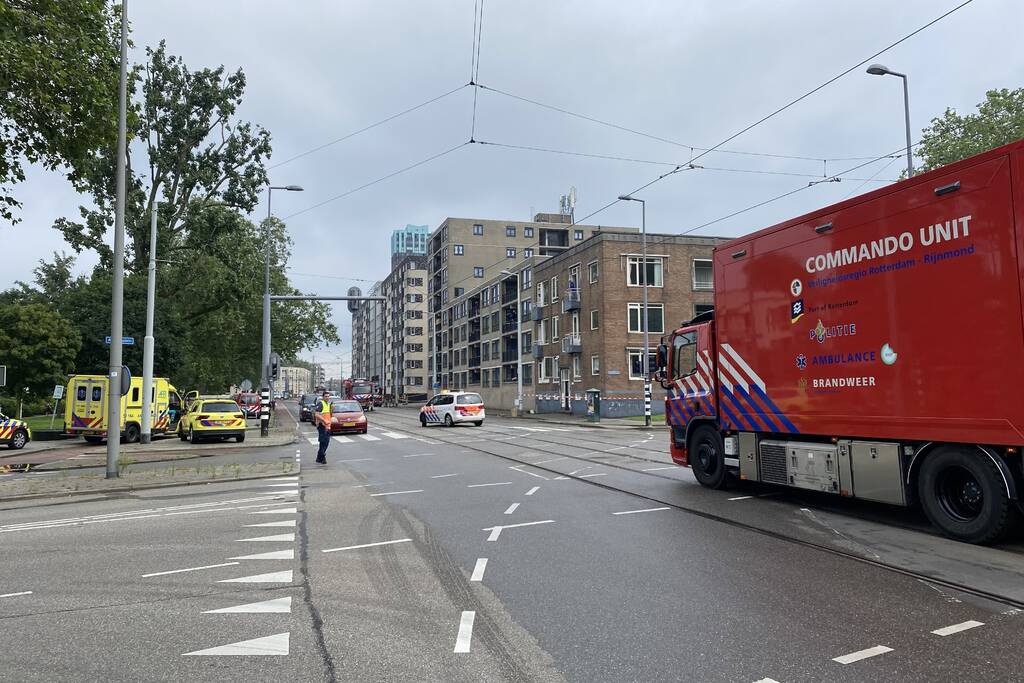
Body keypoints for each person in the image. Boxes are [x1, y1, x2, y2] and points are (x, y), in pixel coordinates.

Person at [315, 391, 331, 464]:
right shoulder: (321, 403)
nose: (327, 397)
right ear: (323, 397)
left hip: (327, 426)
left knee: (326, 442)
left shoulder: (328, 404)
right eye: (326, 396)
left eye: (328, 396)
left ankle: (319, 458)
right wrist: (324, 420)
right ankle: (323, 458)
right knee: (323, 442)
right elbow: (317, 414)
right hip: (322, 425)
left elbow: (327, 414)